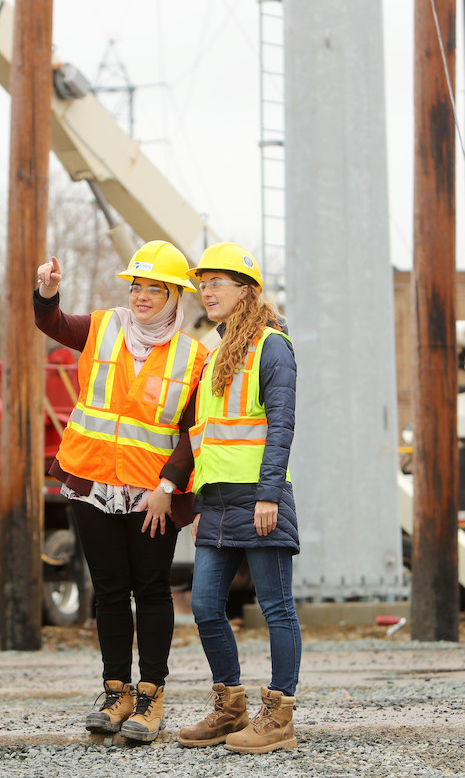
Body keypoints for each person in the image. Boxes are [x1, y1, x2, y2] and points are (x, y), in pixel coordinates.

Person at [34, 240, 207, 742]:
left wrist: (168, 487)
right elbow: (53, 323)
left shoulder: (193, 356)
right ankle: (116, 694)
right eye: (137, 286)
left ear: (176, 295)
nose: (142, 296)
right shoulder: (103, 327)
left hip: (151, 494)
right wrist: (47, 293)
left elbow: (193, 434)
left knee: (151, 590)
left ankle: (151, 697)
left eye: (156, 288)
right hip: (91, 484)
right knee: (109, 591)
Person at [176, 242, 301, 754]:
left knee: (276, 608)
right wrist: (180, 489)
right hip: (217, 502)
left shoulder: (272, 346)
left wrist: (269, 493)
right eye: (203, 284)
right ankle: (231, 709)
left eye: (217, 283)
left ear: (246, 291)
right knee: (205, 605)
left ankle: (280, 717)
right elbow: (200, 431)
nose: (206, 291)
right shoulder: (212, 350)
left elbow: (281, 424)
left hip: (258, 498)